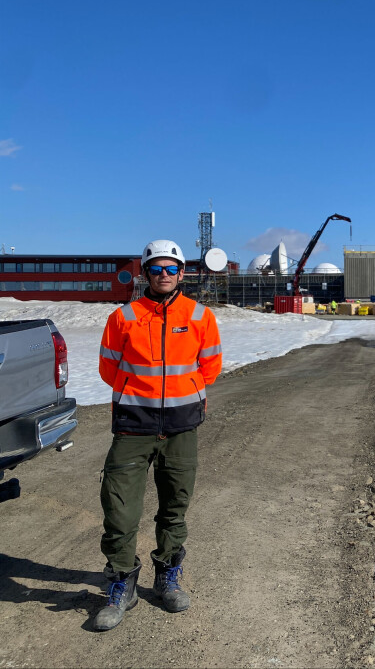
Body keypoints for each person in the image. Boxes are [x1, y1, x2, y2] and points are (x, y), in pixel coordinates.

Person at [94, 239, 222, 631]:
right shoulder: (124, 317)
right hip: (133, 427)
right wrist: (142, 396)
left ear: (182, 273)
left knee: (174, 507)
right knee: (119, 509)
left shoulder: (200, 316)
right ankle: (121, 584)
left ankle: (167, 575)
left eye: (171, 269)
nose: (163, 275)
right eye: (156, 269)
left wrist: (181, 398)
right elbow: (108, 368)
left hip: (181, 428)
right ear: (145, 273)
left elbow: (210, 366)